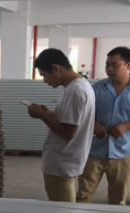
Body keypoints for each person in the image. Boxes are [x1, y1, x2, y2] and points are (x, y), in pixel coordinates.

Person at [77, 47, 130, 205]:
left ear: (128, 65)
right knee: (83, 196)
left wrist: (126, 126)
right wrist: (95, 126)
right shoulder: (97, 88)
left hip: (123, 154)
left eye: (114, 65)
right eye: (107, 65)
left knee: (118, 200)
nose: (109, 69)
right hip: (94, 151)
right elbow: (85, 113)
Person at [27, 48, 95, 202]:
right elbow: (74, 120)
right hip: (69, 161)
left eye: (44, 75)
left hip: (62, 164)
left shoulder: (74, 91)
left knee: (63, 212)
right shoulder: (81, 85)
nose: (45, 80)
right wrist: (51, 114)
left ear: (56, 68)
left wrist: (42, 115)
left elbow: (68, 133)